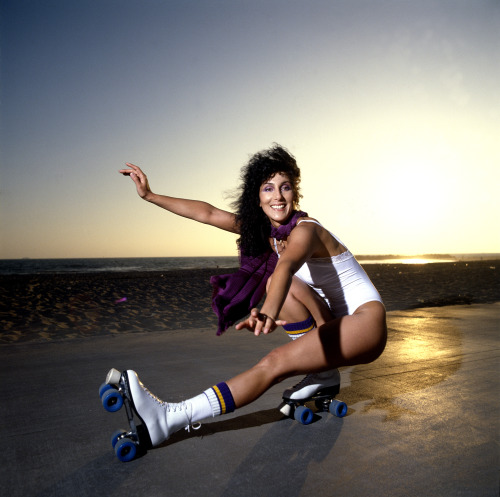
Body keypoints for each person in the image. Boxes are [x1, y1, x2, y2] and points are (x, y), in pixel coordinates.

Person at [115, 144, 386, 447]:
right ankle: (323, 374)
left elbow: (286, 268)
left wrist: (268, 312)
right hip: (334, 323)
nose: (278, 196)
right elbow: (207, 213)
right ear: (257, 198)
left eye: (285, 187)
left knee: (275, 361)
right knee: (273, 283)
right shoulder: (269, 234)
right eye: (268, 188)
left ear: (295, 193)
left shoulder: (306, 230)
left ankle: (171, 417)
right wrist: (150, 195)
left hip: (366, 325)